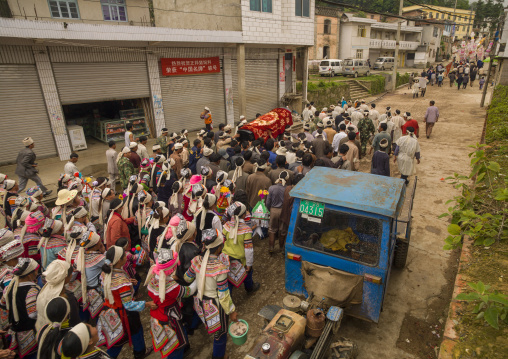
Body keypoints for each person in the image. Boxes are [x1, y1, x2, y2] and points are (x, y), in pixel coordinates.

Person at [184, 228, 238, 359]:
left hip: (200, 302)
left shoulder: (197, 260)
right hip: (215, 306)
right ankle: (218, 356)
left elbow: (187, 278)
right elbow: (224, 295)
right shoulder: (220, 268)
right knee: (220, 334)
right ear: (219, 248)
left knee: (213, 329)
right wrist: (232, 311)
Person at [98, 246, 154, 359]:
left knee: (116, 338)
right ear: (119, 260)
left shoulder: (105, 274)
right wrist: (147, 304)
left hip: (111, 310)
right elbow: (128, 304)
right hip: (125, 315)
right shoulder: (121, 281)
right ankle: (139, 353)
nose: (126, 257)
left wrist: (129, 282)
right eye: (124, 256)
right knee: (135, 333)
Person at [145, 249, 197, 359]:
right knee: (175, 347)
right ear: (172, 268)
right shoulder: (171, 287)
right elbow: (189, 291)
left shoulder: (153, 278)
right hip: (169, 319)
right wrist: (197, 276)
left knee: (169, 346)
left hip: (157, 315)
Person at [1, 258, 40, 359]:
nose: (37, 272)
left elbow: (3, 304)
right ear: (29, 274)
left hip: (16, 331)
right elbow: (32, 314)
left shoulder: (9, 288)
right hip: (30, 333)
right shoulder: (32, 290)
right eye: (36, 269)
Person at [222, 202, 260, 292]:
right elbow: (249, 250)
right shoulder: (246, 230)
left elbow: (222, 240)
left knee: (228, 280)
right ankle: (249, 287)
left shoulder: (227, 225)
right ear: (243, 215)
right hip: (241, 260)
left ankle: (229, 300)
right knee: (248, 273)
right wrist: (249, 264)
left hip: (226, 258)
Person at [35, 259, 79, 331]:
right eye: (71, 273)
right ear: (66, 277)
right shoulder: (68, 299)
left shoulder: (42, 292)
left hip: (45, 332)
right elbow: (74, 322)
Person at [266, 171, 289, 254]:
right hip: (283, 211)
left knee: (272, 230)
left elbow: (268, 201)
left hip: (273, 210)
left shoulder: (272, 188)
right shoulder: (287, 189)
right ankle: (281, 248)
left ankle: (271, 247)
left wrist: (268, 210)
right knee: (282, 231)